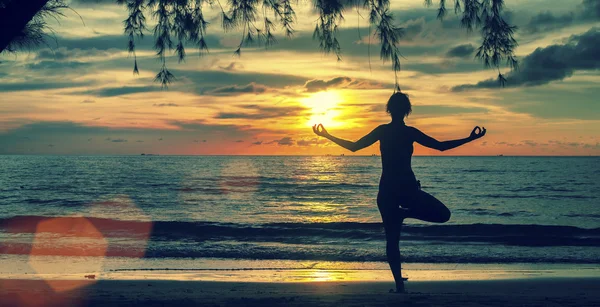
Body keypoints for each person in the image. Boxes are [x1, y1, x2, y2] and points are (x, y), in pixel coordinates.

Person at [312, 92, 486, 293]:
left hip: (388, 191)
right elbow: (441, 147)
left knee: (392, 240)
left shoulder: (383, 131)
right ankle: (405, 220)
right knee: (441, 215)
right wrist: (470, 139)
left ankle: (399, 285)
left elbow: (353, 147)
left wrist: (327, 136)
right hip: (406, 189)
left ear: (389, 110)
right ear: (407, 111)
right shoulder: (409, 132)